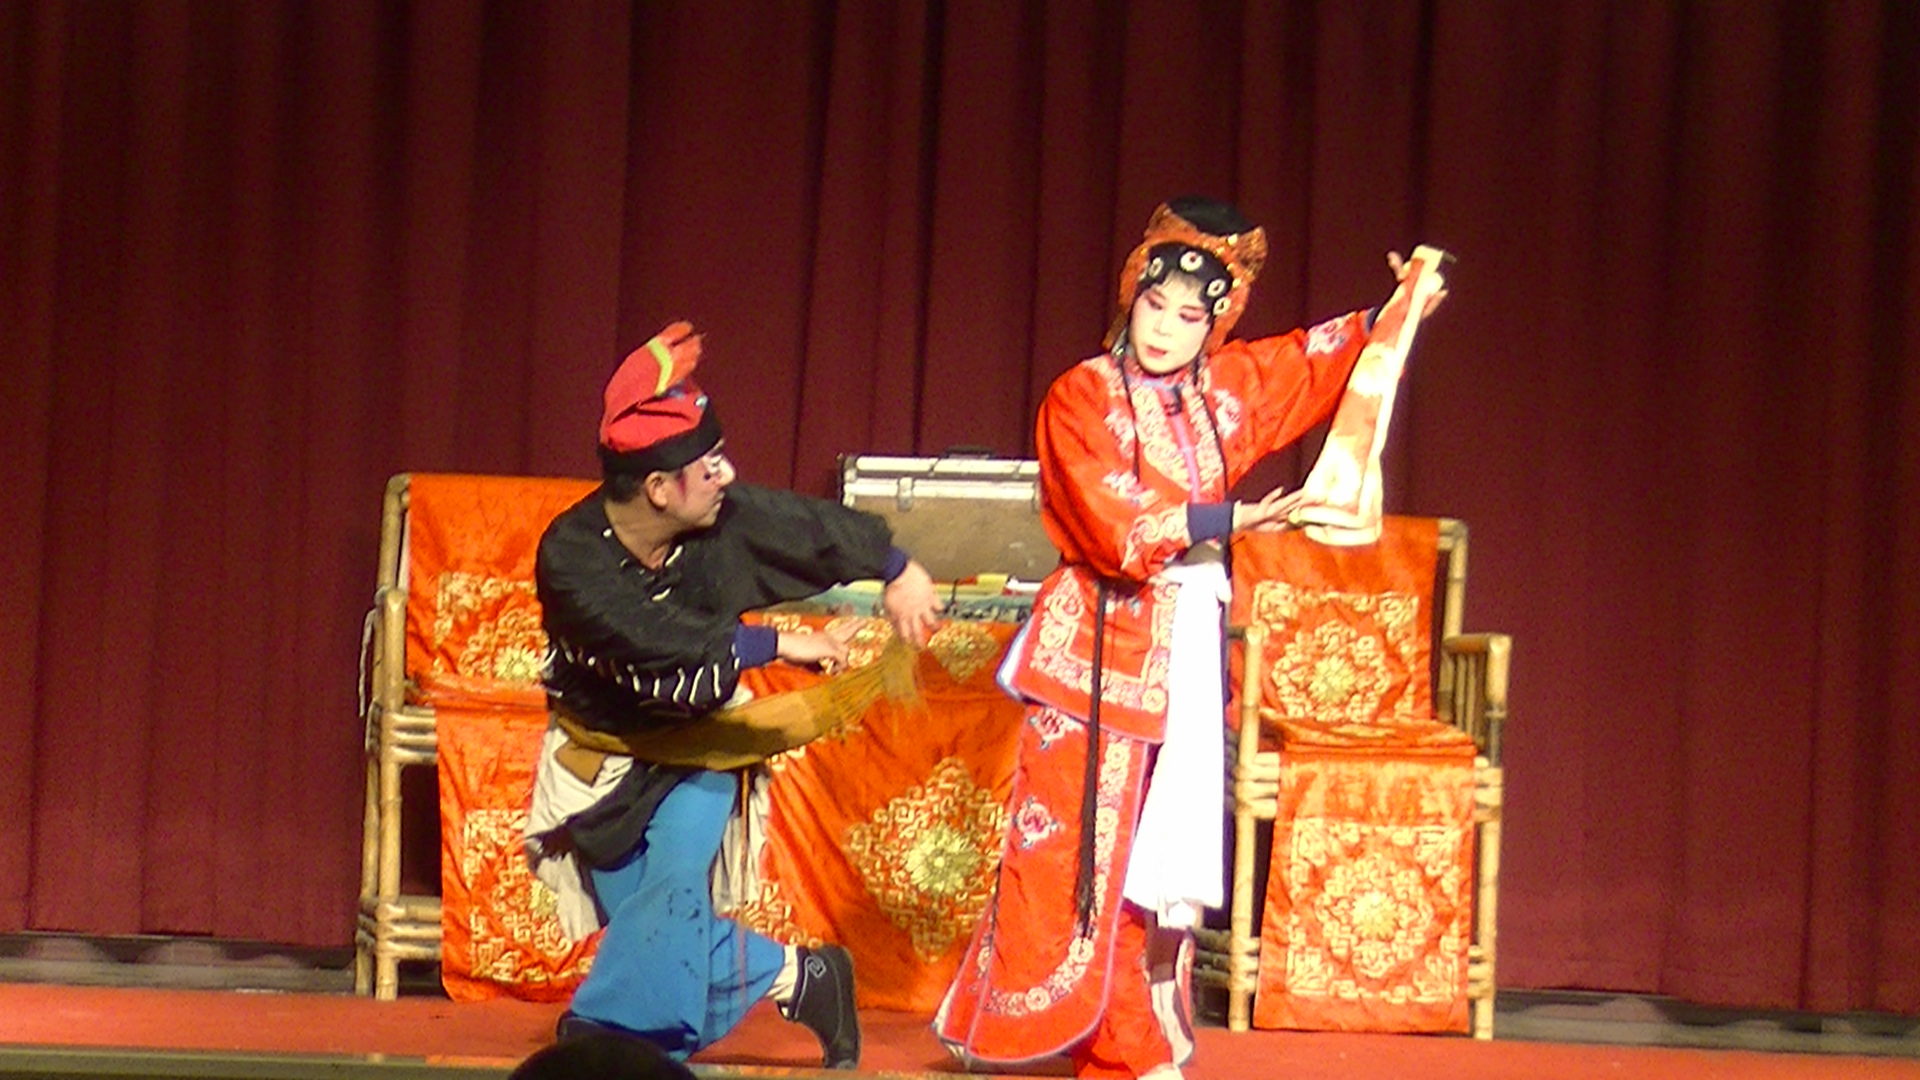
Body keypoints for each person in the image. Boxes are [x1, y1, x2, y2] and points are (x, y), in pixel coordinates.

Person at [933, 197, 1445, 1079]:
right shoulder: (1082, 395)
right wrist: (1227, 517)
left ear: (1215, 324)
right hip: (1094, 659)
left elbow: (1309, 361)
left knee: (1148, 866)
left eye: (1188, 315)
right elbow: (1112, 524)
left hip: (1184, 657)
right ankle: (1116, 1048)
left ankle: (1126, 1044)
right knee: (1077, 864)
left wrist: (1397, 309)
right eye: (1154, 304)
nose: (1166, 328)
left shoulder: (1223, 391)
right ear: (1130, 297)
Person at [522, 321, 944, 1070]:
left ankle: (607, 1039)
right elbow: (652, 638)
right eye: (708, 464)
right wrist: (777, 643)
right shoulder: (572, 557)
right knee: (654, 930)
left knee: (670, 896)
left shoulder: (718, 523)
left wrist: (897, 566)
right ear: (658, 488)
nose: (726, 474)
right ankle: (801, 977)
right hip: (601, 759)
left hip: (703, 750)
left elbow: (802, 526)